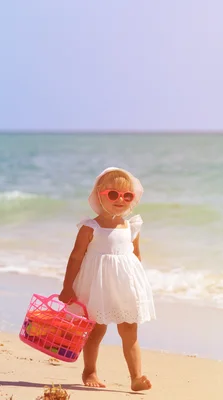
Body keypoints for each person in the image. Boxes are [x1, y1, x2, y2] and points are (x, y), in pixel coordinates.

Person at [59, 167, 156, 391]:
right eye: (113, 194)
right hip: (97, 285)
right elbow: (75, 258)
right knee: (96, 329)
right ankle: (90, 370)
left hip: (125, 285)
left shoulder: (131, 226)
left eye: (127, 195)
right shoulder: (90, 227)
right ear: (99, 195)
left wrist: (139, 287)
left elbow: (135, 256)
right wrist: (67, 287)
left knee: (129, 329)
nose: (120, 200)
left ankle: (136, 377)